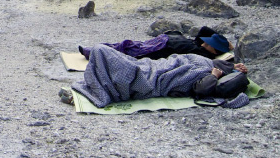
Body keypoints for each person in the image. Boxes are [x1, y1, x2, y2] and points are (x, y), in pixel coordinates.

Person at [62, 45, 248, 108]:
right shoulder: (208, 63)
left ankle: (98, 81)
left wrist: (214, 76)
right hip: (154, 66)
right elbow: (179, 60)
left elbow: (201, 90)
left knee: (107, 56)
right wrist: (232, 66)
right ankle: (100, 73)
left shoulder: (207, 77)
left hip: (152, 78)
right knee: (116, 58)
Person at [78, 27, 233, 62]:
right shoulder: (200, 44)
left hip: (162, 49)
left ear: (214, 50)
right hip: (163, 40)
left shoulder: (204, 54)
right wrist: (227, 42)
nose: (206, 43)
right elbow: (205, 30)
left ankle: (94, 52)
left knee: (130, 50)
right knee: (132, 44)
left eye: (209, 44)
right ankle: (96, 49)